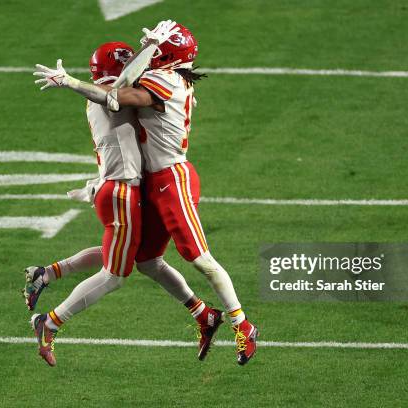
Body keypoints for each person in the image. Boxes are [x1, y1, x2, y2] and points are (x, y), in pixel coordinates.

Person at [33, 22, 258, 365]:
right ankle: (203, 314)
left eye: (155, 47)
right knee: (146, 260)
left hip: (171, 179)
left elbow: (115, 93)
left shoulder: (164, 80)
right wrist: (151, 46)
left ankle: (242, 324)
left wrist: (72, 82)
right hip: (150, 181)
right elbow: (120, 86)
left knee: (199, 259)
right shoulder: (167, 76)